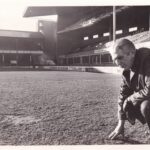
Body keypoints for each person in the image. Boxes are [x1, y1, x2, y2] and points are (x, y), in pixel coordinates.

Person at [108, 38, 150, 140]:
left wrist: (130, 99)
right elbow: (123, 95)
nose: (117, 63)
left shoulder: (148, 59)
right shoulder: (126, 71)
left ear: (132, 53)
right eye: (115, 59)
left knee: (145, 106)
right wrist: (120, 124)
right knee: (137, 103)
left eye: (119, 57)